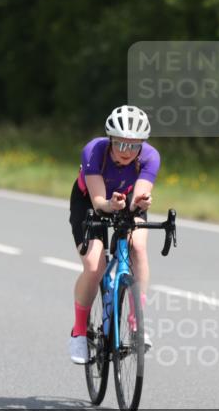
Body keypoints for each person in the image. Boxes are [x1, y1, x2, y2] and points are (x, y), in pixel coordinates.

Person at [67, 105, 160, 364]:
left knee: (138, 247)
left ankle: (135, 322)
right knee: (95, 266)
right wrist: (110, 205)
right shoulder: (94, 151)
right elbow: (98, 201)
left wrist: (137, 203)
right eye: (121, 144)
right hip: (89, 201)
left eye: (134, 145)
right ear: (111, 139)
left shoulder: (150, 157)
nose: (127, 152)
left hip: (125, 199)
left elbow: (138, 196)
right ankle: (78, 332)